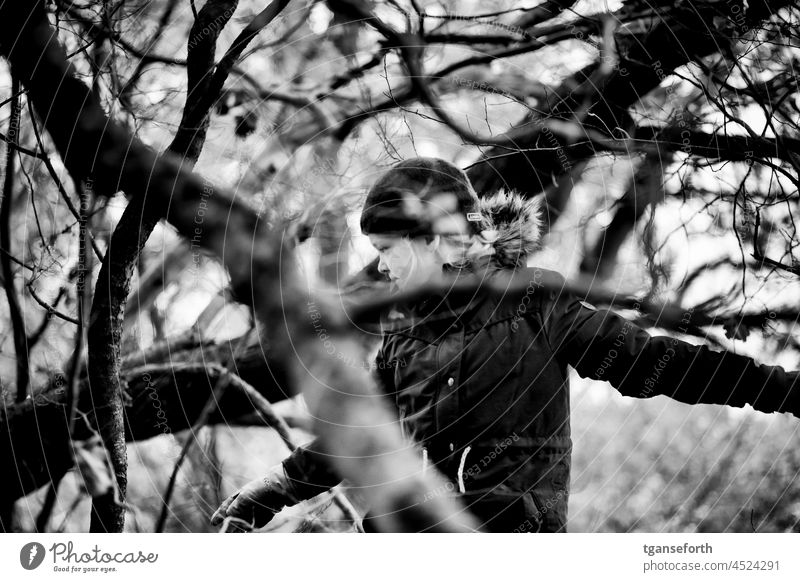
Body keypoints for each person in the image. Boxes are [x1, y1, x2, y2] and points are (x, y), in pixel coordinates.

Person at [211, 157, 800, 533]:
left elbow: (658, 364)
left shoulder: (532, 304)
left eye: (390, 251)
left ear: (443, 240)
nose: (383, 270)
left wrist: (783, 390)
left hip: (517, 528)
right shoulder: (403, 343)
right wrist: (270, 493)